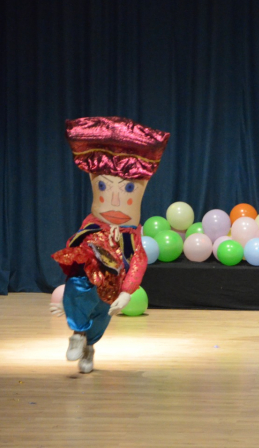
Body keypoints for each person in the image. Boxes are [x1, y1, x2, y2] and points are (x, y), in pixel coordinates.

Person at [50, 116, 169, 373]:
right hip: (94, 248)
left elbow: (138, 260)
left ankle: (89, 345)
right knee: (81, 278)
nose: (115, 200)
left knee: (102, 315)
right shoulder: (91, 229)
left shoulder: (131, 238)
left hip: (115, 281)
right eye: (105, 186)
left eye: (127, 189)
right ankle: (77, 334)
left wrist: (126, 292)